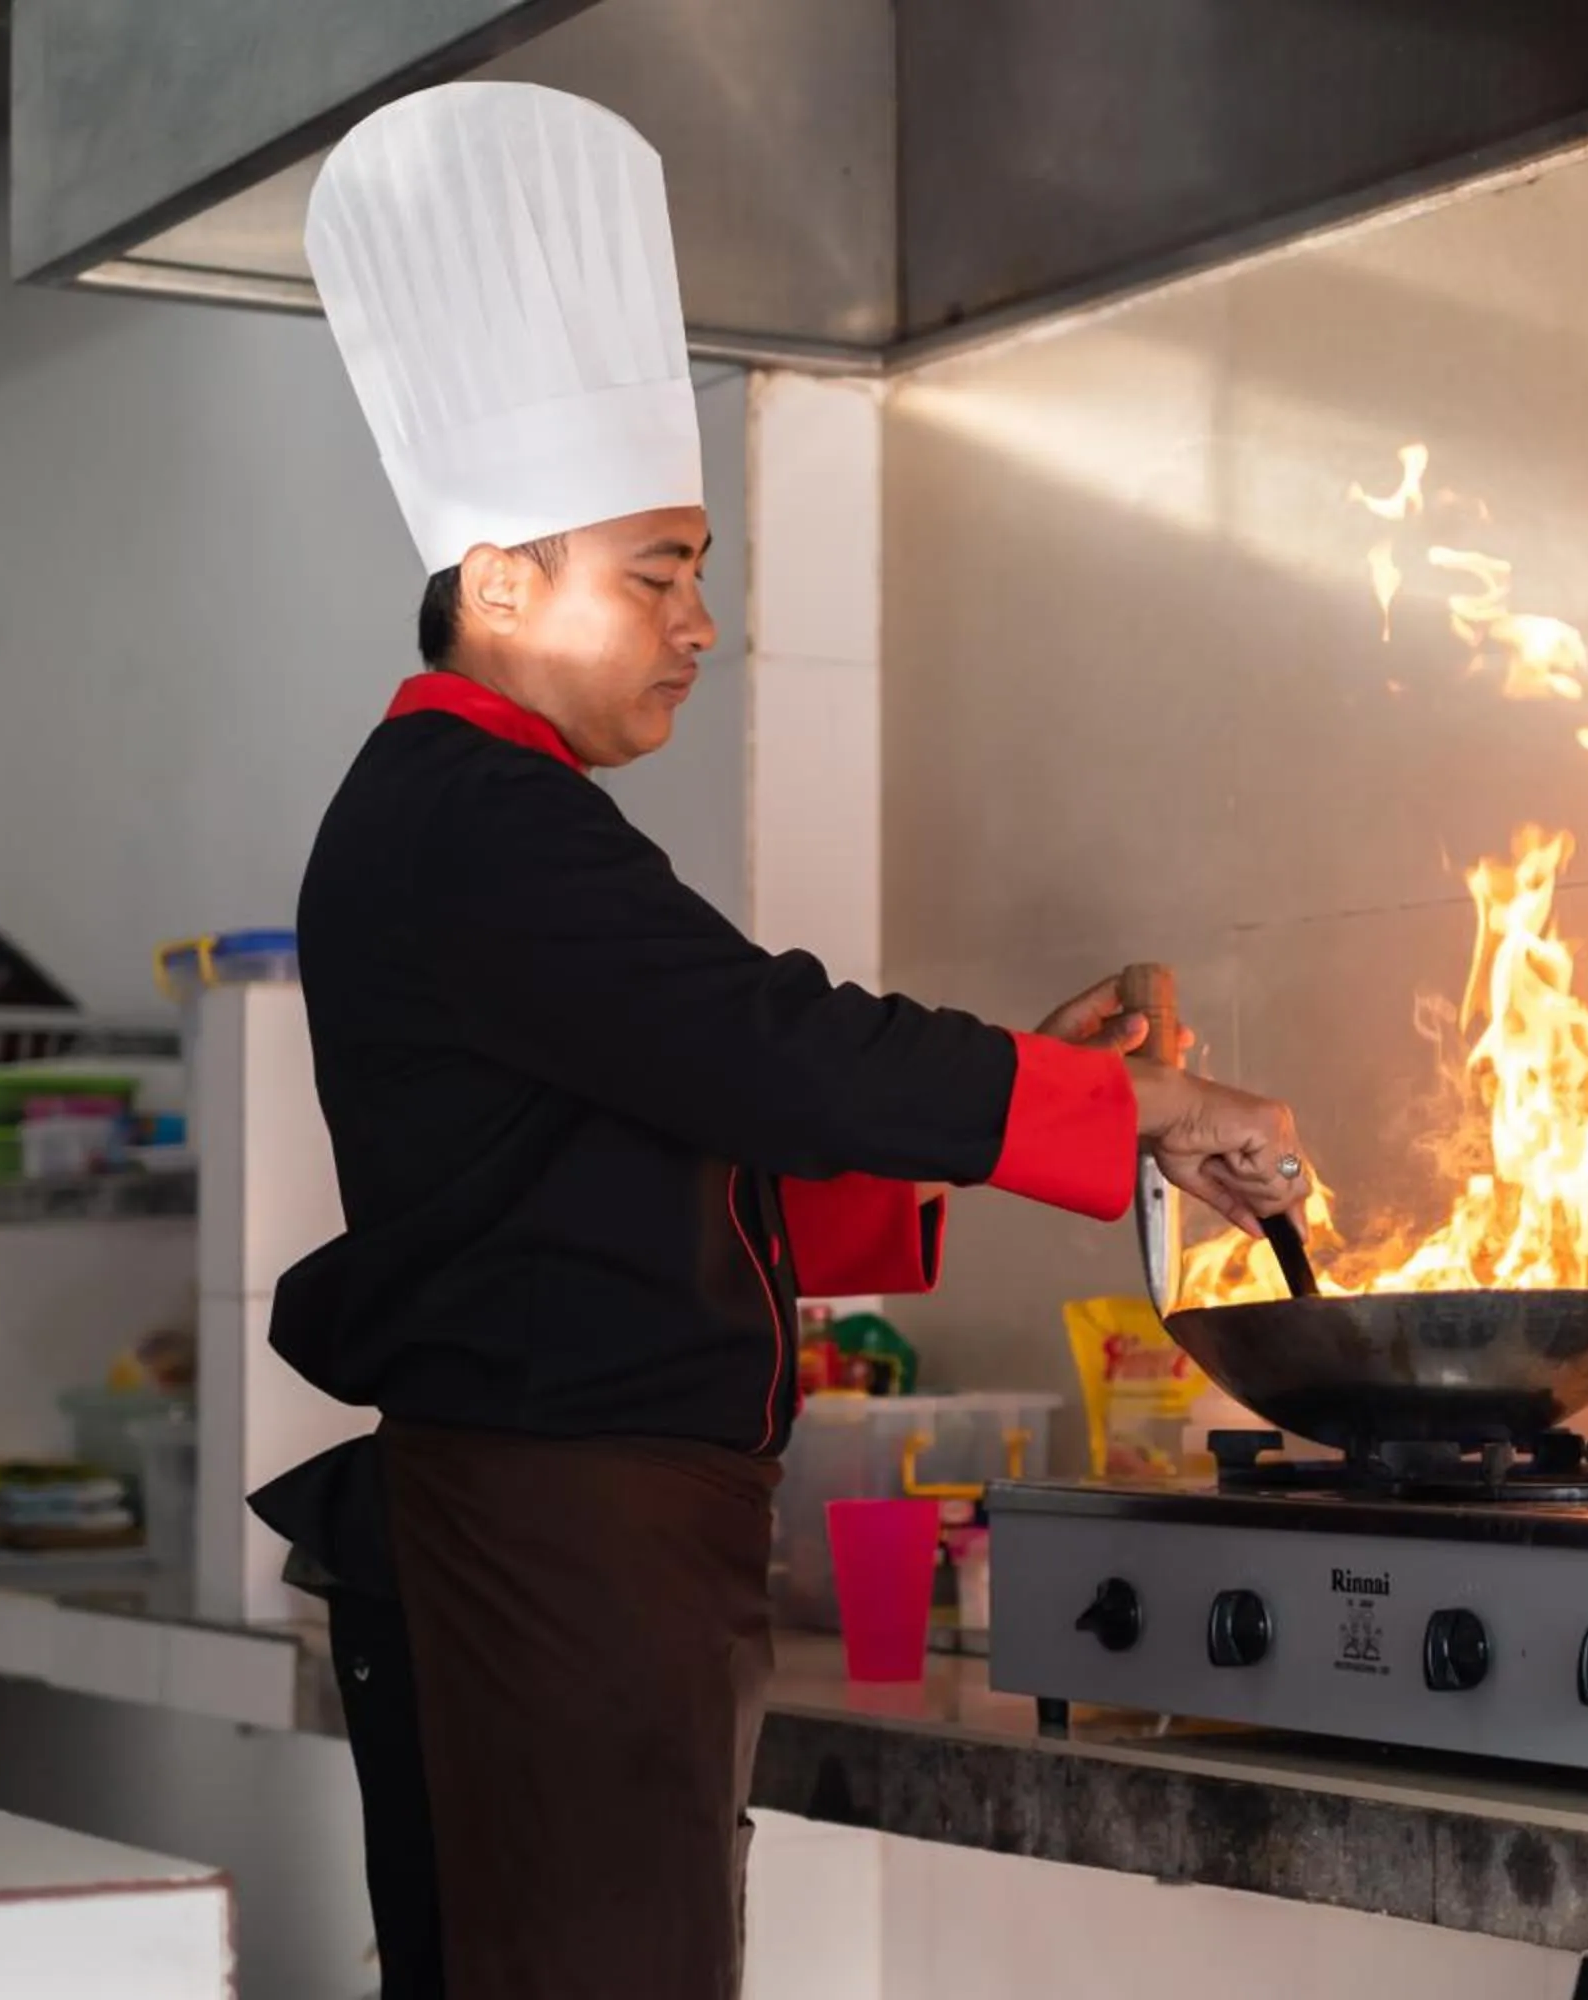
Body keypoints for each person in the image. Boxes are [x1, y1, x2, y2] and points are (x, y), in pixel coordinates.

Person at [248, 80, 1310, 2000]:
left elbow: (674, 1138)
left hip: (582, 1535)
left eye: (702, 572)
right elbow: (766, 1047)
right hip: (562, 1536)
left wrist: (1042, 1083)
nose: (701, 624)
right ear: (503, 582)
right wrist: (1129, 1101)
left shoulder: (489, 816)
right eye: (657, 572)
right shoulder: (474, 817)